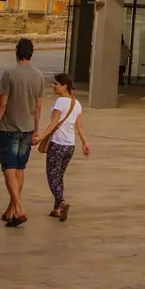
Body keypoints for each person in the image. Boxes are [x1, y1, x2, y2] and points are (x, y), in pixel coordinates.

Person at [0, 37, 47, 227]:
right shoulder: (39, 75)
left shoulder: (9, 74)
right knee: (20, 168)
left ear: (17, 52)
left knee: (8, 167)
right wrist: (37, 129)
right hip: (28, 128)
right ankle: (12, 209)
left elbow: (2, 103)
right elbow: (38, 107)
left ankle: (19, 208)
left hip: (10, 127)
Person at [34, 73, 90, 221]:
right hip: (69, 146)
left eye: (56, 84)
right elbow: (79, 126)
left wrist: (41, 137)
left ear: (64, 87)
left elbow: (54, 124)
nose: (53, 86)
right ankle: (57, 209)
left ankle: (62, 202)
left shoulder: (60, 102)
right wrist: (85, 143)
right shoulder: (76, 103)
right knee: (59, 177)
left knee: (52, 178)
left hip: (57, 145)